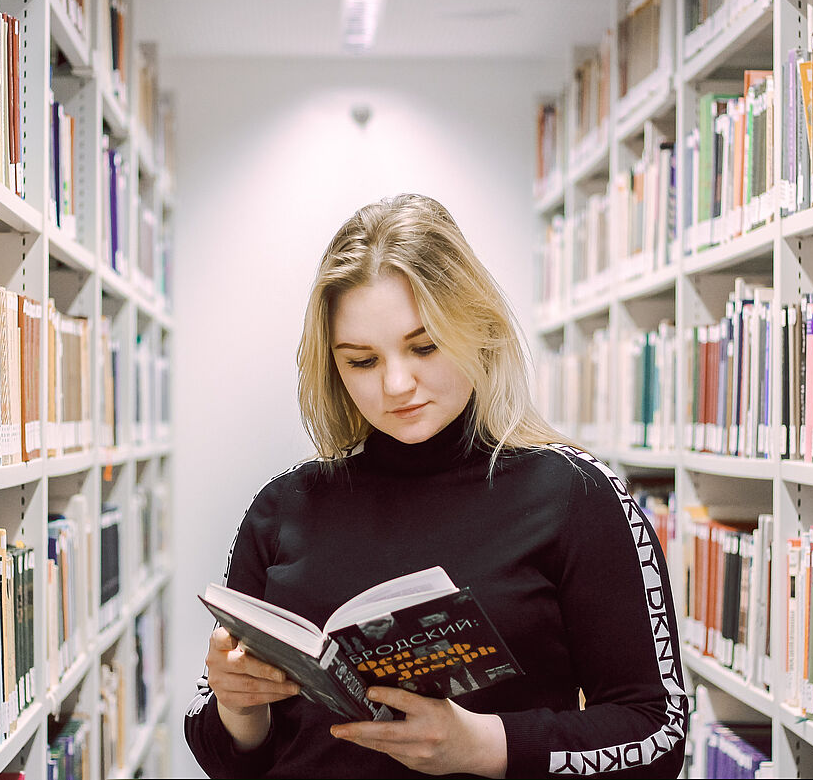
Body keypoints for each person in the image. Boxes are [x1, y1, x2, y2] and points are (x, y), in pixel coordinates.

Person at [184, 194, 687, 778]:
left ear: (476, 328)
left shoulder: (577, 495)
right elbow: (220, 756)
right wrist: (237, 705)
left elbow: (657, 734)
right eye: (361, 361)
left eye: (424, 346)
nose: (397, 384)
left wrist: (485, 744)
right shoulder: (281, 508)